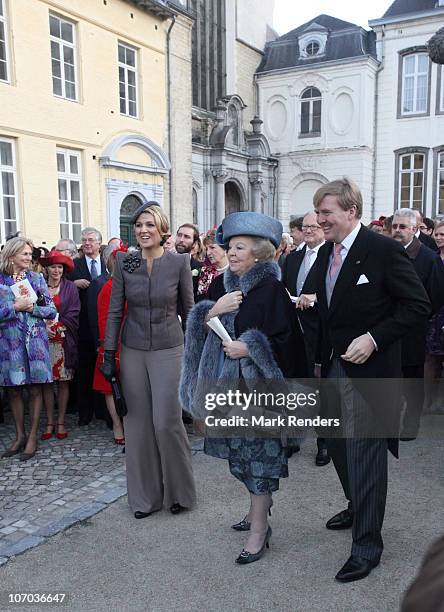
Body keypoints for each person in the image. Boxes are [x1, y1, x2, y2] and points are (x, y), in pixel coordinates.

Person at [312, 178, 430, 582]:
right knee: (338, 451)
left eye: (326, 212)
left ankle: (367, 546)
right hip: (333, 368)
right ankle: (356, 504)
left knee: (365, 459)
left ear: (351, 211)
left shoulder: (383, 250)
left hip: (371, 375)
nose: (320, 219)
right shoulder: (325, 254)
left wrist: (375, 338)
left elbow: (417, 306)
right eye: (318, 212)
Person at [180, 211, 307, 565]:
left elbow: (286, 342)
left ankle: (259, 531)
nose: (231, 253)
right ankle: (257, 512)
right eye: (230, 247)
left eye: (239, 247)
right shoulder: (222, 285)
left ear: (259, 253)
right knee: (239, 458)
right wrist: (211, 311)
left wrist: (249, 347)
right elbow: (198, 334)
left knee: (259, 460)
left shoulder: (271, 290)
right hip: (227, 391)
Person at [102, 203, 196, 518]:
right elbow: (116, 310)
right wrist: (108, 353)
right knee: (138, 425)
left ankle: (179, 493)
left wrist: (194, 355)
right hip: (132, 350)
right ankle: (144, 498)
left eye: (150, 225)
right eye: (139, 225)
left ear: (162, 230)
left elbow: (190, 311)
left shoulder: (179, 263)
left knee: (166, 422)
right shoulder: (124, 262)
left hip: (170, 348)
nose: (143, 230)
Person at [0, 237, 57, 461]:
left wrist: (31, 307)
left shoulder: (36, 279)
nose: (28, 257)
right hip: (9, 345)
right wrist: (14, 307)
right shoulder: (1, 282)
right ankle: (19, 435)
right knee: (13, 390)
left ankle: (32, 436)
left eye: (29, 253)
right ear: (12, 255)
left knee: (35, 389)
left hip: (35, 343)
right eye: (24, 253)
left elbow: (50, 310)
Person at [281, 211, 329, 466]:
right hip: (294, 332)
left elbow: (340, 293)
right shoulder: (292, 257)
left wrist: (316, 299)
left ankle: (325, 441)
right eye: (305, 226)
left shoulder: (332, 255)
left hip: (321, 332)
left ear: (323, 228)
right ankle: (293, 437)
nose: (309, 230)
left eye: (314, 226)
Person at [391, 209, 444, 439]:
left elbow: (436, 295)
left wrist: (417, 316)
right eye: (394, 226)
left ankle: (411, 421)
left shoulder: (428, 257)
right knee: (390, 377)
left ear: (414, 229)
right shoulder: (386, 252)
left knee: (412, 378)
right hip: (387, 326)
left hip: (413, 327)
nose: (397, 231)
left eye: (402, 227)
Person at [39, 251, 80, 441]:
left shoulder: (70, 287)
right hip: (42, 341)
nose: (56, 270)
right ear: (47, 268)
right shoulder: (39, 287)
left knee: (63, 382)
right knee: (47, 383)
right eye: (53, 266)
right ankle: (49, 422)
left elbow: (74, 312)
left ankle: (61, 421)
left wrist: (58, 326)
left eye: (60, 267)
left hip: (63, 341)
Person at [67, 227, 105, 425]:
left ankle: (102, 410)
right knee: (84, 370)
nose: (87, 243)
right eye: (84, 240)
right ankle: (84, 413)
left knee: (103, 369)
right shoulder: (74, 266)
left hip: (103, 324)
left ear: (99, 243)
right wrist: (74, 284)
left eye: (91, 240)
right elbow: (63, 287)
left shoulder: (108, 264)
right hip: (82, 326)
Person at [92, 244, 126, 445]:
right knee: (110, 387)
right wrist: (109, 349)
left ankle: (129, 424)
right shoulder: (108, 287)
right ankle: (117, 425)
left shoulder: (131, 285)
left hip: (132, 342)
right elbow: (104, 320)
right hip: (114, 344)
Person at [425, 220, 444, 410]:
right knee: (430, 358)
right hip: (434, 314)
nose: (438, 238)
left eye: (442, 235)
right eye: (437, 234)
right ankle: (426, 400)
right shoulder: (431, 257)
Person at [196, 229, 229, 300]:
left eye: (212, 247)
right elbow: (200, 300)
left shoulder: (236, 270)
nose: (208, 253)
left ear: (225, 248)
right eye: (207, 249)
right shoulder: (205, 272)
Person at [175, 223, 202, 299]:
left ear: (194, 243)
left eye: (187, 237)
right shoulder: (163, 264)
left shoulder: (201, 269)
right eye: (179, 235)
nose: (181, 240)